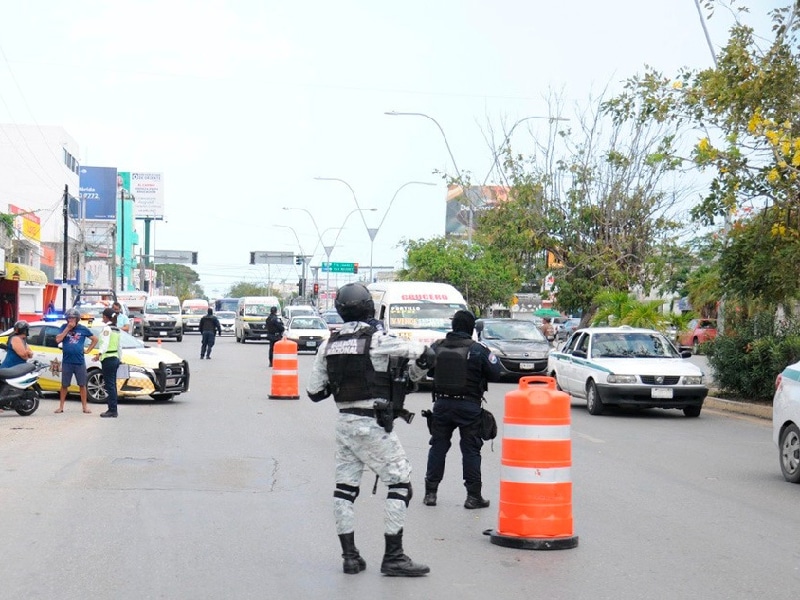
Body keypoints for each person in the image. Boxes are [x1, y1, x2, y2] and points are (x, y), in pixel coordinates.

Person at [306, 282, 435, 577]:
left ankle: (350, 558)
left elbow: (314, 392)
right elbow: (426, 354)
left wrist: (340, 380)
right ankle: (394, 557)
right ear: (369, 307)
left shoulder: (330, 344)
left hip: (344, 424)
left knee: (345, 489)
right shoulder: (378, 339)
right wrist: (412, 379)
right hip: (373, 423)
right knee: (400, 483)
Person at [422, 309, 502, 509]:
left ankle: (430, 493)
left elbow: (428, 370)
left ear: (453, 326)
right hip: (468, 406)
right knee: (471, 450)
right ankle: (473, 497)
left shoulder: (437, 347)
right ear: (472, 328)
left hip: (441, 404)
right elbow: (496, 371)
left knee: (438, 447)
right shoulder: (477, 349)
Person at [54, 308, 98, 414]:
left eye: (73, 318)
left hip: (79, 361)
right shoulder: (63, 327)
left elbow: (95, 339)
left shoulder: (82, 329)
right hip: (67, 361)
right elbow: (58, 340)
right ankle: (61, 407)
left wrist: (88, 350)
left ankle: (84, 407)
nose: (71, 320)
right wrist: (67, 329)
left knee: (82, 384)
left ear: (77, 319)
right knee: (64, 385)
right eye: (69, 318)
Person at [93, 308, 121, 418]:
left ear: (105, 317)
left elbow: (104, 344)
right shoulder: (116, 329)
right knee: (112, 384)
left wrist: (98, 354)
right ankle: (113, 408)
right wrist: (120, 358)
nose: (102, 318)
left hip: (108, 358)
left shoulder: (107, 329)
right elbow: (119, 346)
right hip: (115, 357)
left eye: (103, 316)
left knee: (109, 385)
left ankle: (112, 410)